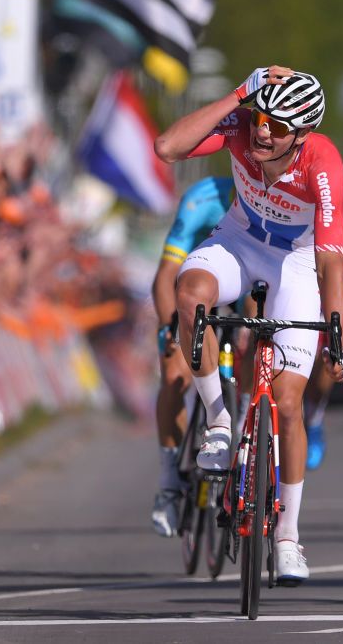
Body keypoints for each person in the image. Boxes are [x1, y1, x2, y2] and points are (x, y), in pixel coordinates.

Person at [154, 65, 343, 584]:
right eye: (262, 118)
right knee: (190, 295)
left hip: (296, 263)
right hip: (239, 242)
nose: (264, 131)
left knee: (288, 404)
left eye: (279, 127)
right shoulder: (242, 126)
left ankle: (288, 537)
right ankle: (220, 421)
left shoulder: (323, 163)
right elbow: (168, 148)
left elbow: (332, 260)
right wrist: (241, 94)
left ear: (303, 134)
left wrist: (334, 329)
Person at [150, 176, 234, 537]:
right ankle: (169, 483)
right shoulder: (204, 198)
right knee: (174, 373)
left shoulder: (277, 194)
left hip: (241, 294)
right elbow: (165, 274)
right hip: (193, 297)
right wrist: (171, 326)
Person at [303, 243, 343, 470]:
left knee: (333, 360)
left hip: (326, 315)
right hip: (295, 305)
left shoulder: (332, 237)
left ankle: (314, 419)